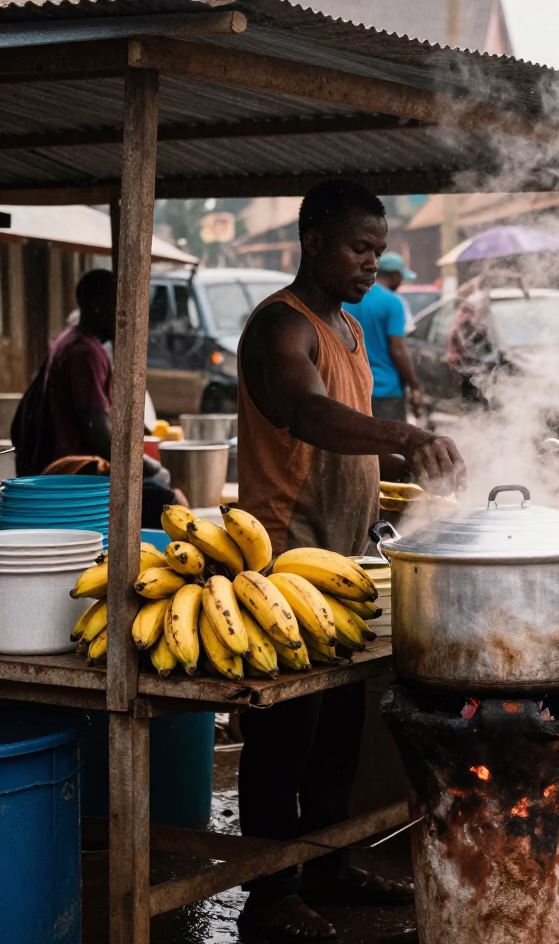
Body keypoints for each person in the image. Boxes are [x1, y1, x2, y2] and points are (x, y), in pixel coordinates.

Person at [235, 178, 466, 941]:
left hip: (343, 557)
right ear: (313, 243)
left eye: (379, 248)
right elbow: (305, 412)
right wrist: (403, 435)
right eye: (358, 247)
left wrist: (407, 470)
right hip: (281, 553)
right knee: (284, 730)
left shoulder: (350, 328)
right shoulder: (282, 327)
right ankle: (270, 895)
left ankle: (328, 867)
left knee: (338, 721)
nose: (373, 262)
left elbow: (349, 433)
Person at [16, 269, 185, 523]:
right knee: (169, 503)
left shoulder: (71, 340)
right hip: (77, 473)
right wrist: (148, 466)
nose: (124, 312)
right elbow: (98, 434)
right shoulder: (85, 351)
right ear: (97, 307)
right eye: (117, 302)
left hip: (69, 468)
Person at [343, 251, 423, 423]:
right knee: (389, 448)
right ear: (394, 275)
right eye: (401, 277)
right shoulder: (392, 302)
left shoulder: (349, 299)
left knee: (359, 446)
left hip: (352, 388)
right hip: (385, 390)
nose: (401, 282)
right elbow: (398, 350)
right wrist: (414, 386)